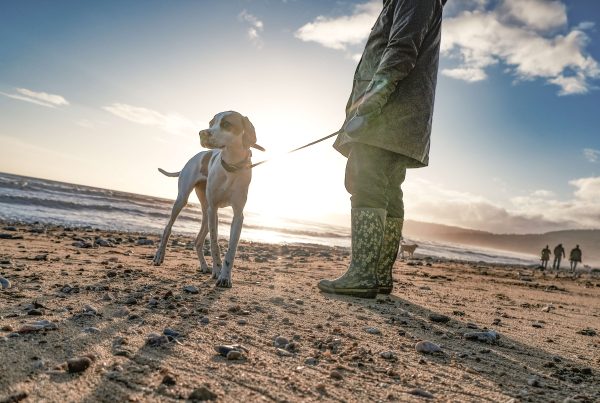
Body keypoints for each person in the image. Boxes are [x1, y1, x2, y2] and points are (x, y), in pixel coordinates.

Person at [318, 0, 446, 298]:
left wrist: (369, 105)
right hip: (401, 118)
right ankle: (377, 276)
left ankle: (364, 276)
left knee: (367, 183)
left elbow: (401, 49)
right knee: (388, 190)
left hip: (386, 115)